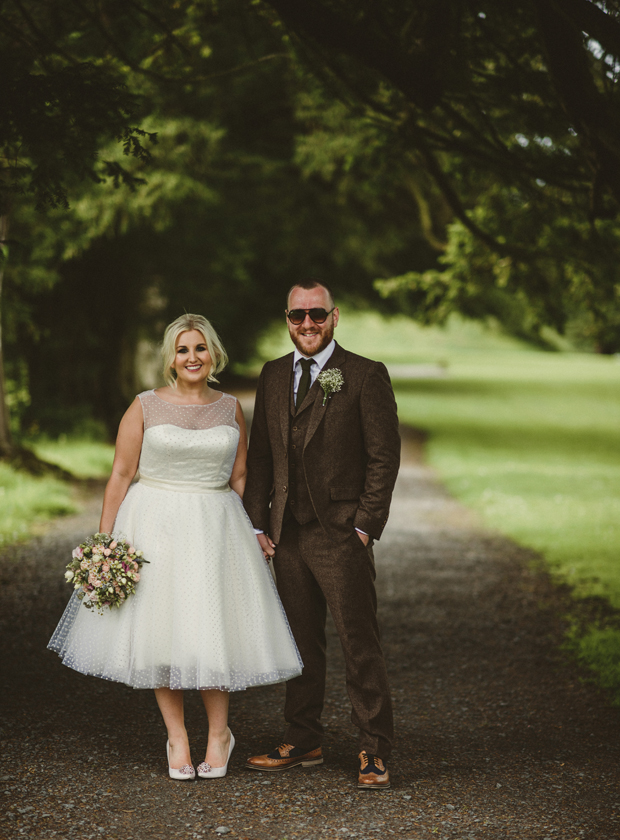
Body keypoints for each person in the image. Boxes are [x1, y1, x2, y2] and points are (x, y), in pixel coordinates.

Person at [49, 314, 302, 781]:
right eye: (183, 349)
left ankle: (219, 736)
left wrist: (254, 528)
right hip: (154, 528)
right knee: (161, 634)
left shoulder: (230, 409)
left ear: (214, 355)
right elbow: (121, 475)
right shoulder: (144, 406)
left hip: (215, 526)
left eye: (200, 349)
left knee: (212, 632)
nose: (192, 357)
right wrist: (105, 545)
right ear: (171, 357)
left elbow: (241, 475)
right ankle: (178, 738)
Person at [244, 279, 400, 788]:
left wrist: (364, 526)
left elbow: (383, 457)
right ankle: (303, 738)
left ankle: (374, 748)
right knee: (299, 641)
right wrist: (257, 522)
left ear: (334, 317)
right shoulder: (271, 376)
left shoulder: (364, 375)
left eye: (316, 314)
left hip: (340, 533)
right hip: (287, 532)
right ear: (286, 318)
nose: (306, 324)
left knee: (359, 642)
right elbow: (262, 458)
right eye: (297, 315)